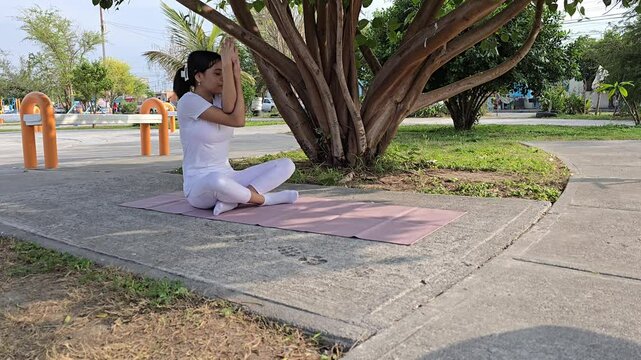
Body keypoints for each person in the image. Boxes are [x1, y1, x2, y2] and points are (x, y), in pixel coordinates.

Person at [173, 38, 298, 216]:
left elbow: (232, 111)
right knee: (216, 180)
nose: (223, 79)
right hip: (199, 185)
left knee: (286, 165)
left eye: (224, 73)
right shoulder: (188, 101)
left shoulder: (219, 100)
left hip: (229, 177)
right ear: (198, 76)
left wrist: (235, 73)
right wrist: (226, 65)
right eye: (217, 73)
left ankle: (234, 199)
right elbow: (237, 120)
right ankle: (266, 199)